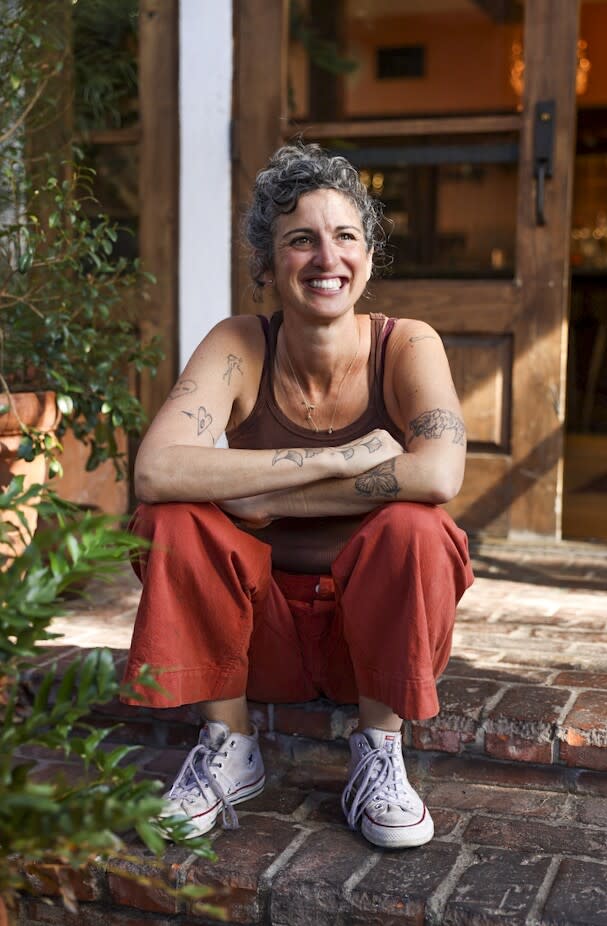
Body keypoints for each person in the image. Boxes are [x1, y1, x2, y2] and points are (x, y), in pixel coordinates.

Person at [122, 142, 474, 850]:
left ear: (369, 255)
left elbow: (437, 476)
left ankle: (379, 750)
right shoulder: (238, 343)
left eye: (345, 236)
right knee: (172, 517)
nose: (326, 258)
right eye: (300, 240)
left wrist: (258, 494)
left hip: (370, 639)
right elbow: (157, 472)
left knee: (416, 526)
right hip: (255, 638)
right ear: (267, 261)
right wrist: (341, 458)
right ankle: (230, 744)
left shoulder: (408, 345)